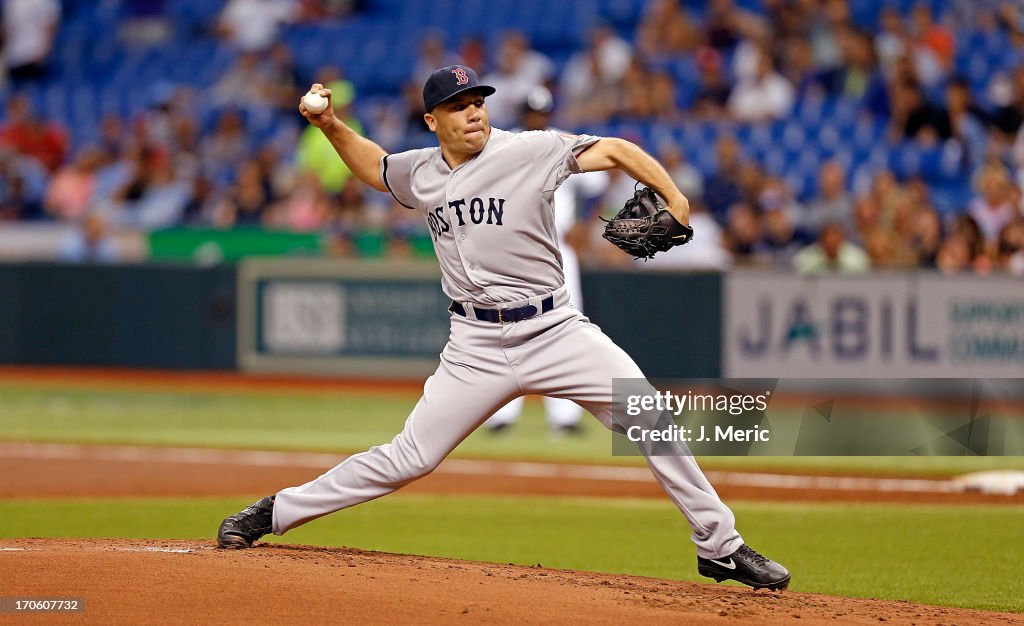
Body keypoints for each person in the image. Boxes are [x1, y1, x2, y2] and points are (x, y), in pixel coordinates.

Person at [216, 65, 791, 591]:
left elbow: (615, 149)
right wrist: (329, 123)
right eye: (460, 104)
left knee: (650, 417)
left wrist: (675, 196)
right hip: (474, 346)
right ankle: (275, 512)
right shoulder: (421, 170)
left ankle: (719, 546)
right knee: (408, 458)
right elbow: (376, 168)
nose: (474, 111)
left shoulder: (530, 151)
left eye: (479, 101)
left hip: (554, 330)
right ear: (432, 120)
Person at [484, 87, 608, 436]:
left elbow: (597, 184)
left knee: (565, 328)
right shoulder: (505, 147)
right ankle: (501, 413)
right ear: (525, 115)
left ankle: (565, 416)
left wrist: (584, 224)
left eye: (542, 113)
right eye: (532, 113)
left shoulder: (563, 142)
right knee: (509, 328)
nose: (537, 118)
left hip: (558, 248)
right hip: (518, 250)